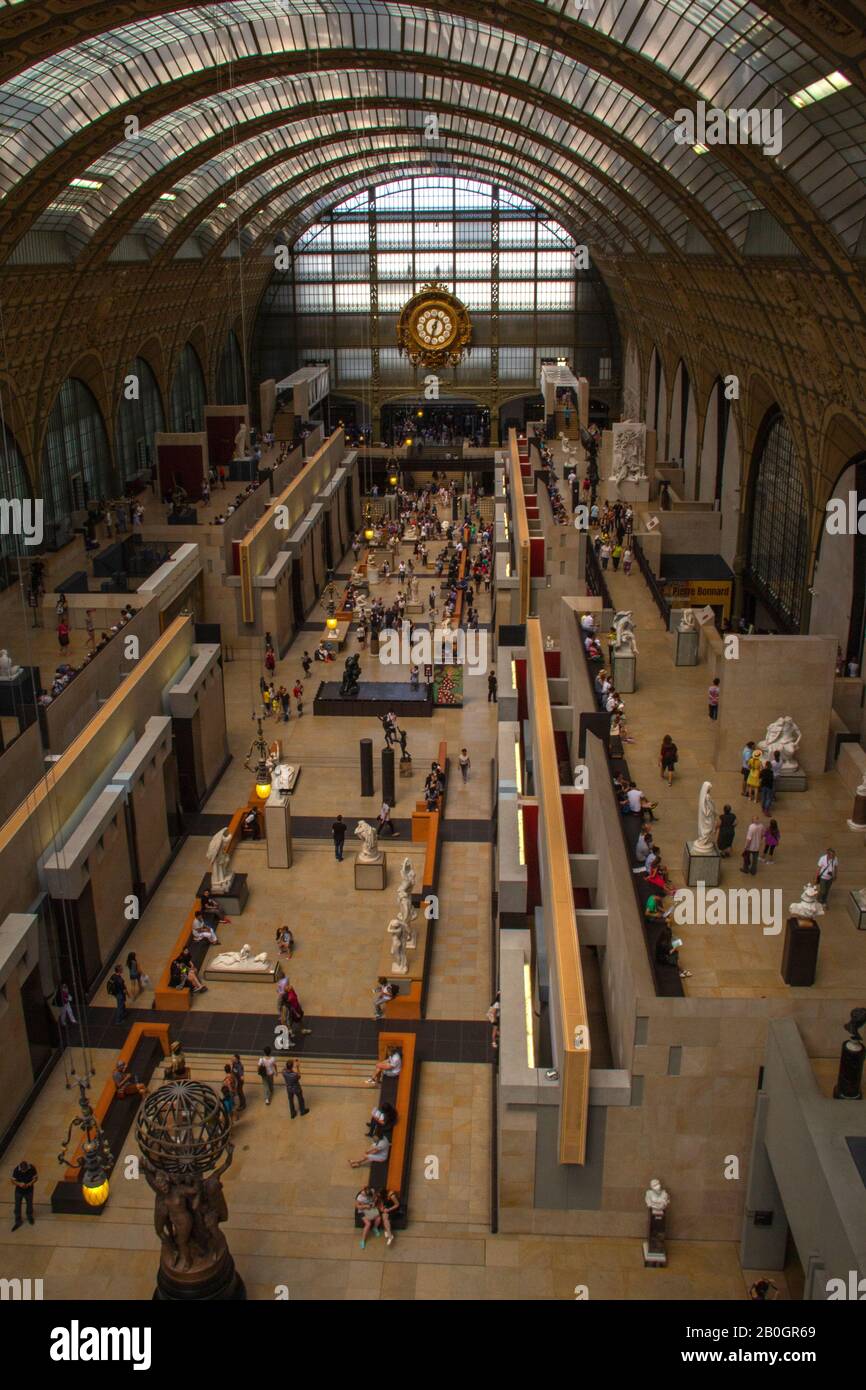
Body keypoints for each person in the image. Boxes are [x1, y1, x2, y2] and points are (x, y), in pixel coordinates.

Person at [10, 1159, 37, 1230]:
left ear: (27, 1167)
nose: (23, 1172)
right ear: (20, 1168)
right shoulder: (16, 1170)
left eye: (24, 1170)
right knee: (17, 1206)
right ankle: (18, 1221)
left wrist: (30, 1183)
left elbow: (35, 1178)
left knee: (29, 1204)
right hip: (19, 1191)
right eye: (22, 1171)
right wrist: (19, 1184)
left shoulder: (32, 1168)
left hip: (29, 1190)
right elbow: (12, 1180)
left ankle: (30, 1216)